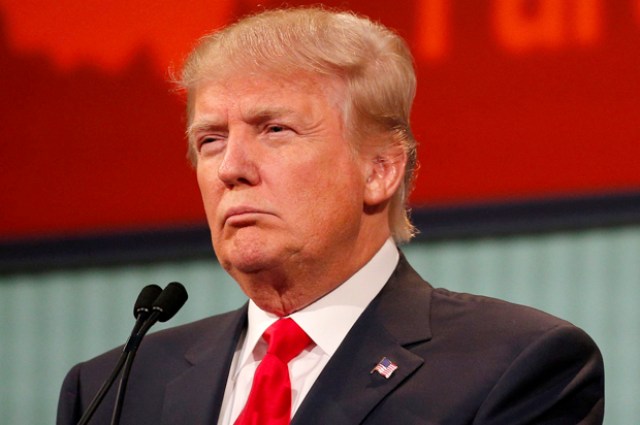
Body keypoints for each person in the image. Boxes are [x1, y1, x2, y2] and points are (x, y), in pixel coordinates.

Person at [57, 7, 604, 425]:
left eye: (275, 130)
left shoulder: (514, 364)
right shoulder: (114, 389)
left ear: (380, 171)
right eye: (211, 139)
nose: (232, 168)